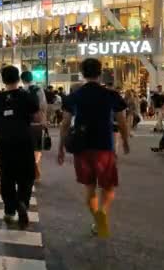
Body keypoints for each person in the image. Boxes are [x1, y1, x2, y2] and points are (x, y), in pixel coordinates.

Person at [59, 58, 130, 239]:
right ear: (100, 73)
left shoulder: (74, 96)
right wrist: (126, 141)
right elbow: (121, 121)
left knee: (90, 188)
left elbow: (65, 124)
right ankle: (103, 212)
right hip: (104, 146)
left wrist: (60, 147)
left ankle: (96, 220)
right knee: (108, 186)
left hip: (81, 148)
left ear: (82, 73)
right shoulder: (111, 95)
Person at [0, 66, 39, 229]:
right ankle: (23, 201)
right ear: (18, 79)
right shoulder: (27, 97)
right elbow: (36, 115)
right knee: (27, 174)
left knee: (7, 175)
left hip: (4, 143)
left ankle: (10, 210)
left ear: (3, 80)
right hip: (24, 140)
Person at [21, 71, 48, 182]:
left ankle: (31, 169)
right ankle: (35, 165)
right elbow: (43, 106)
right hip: (38, 123)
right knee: (37, 148)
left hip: (25, 124)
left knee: (27, 148)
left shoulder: (22, 91)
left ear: (22, 80)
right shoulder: (39, 90)